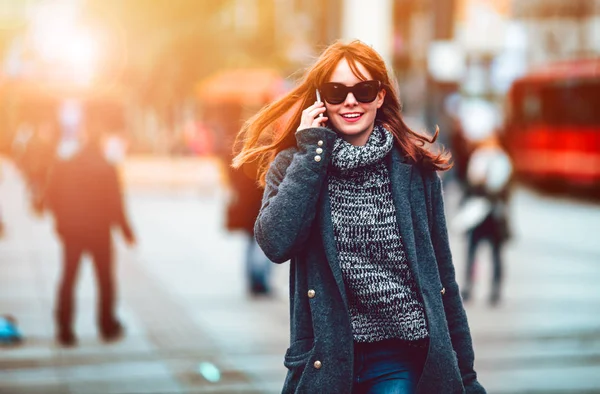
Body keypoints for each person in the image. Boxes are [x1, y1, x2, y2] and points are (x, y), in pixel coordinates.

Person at [232, 40, 485, 393]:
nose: (350, 101)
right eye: (336, 91)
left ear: (380, 96)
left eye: (363, 90)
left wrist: (467, 377)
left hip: (400, 358)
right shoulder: (297, 164)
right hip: (326, 360)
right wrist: (312, 151)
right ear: (321, 98)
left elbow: (442, 277)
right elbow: (275, 242)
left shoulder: (414, 170)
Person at [43, 124, 135, 346]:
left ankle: (64, 330)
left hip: (72, 231)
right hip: (99, 232)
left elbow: (51, 195)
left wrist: (60, 222)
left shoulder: (65, 165)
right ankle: (107, 325)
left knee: (68, 277)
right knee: (105, 280)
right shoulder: (106, 167)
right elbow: (116, 202)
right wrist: (126, 230)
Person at [459, 134, 512, 306]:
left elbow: (504, 188)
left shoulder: (503, 160)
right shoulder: (478, 157)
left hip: (494, 214)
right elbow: (470, 181)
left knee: (495, 254)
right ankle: (468, 286)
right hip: (477, 212)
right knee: (472, 252)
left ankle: (495, 290)